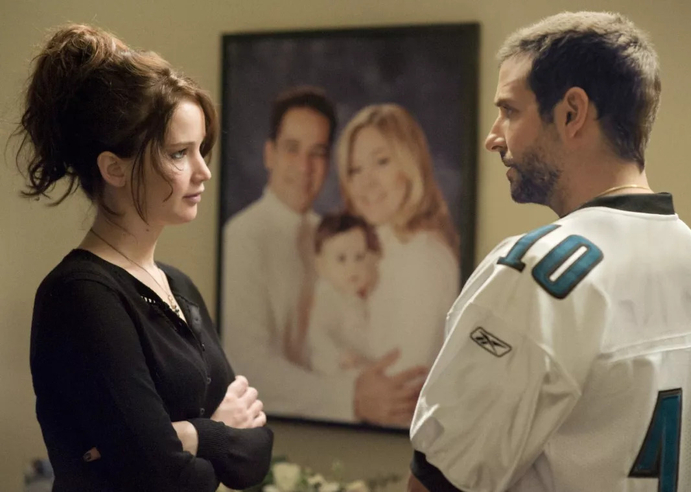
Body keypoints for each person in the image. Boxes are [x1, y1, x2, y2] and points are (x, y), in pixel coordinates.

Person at [408, 11, 691, 492]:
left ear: (571, 113)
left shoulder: (537, 270)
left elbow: (441, 482)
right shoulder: (690, 256)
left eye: (510, 111)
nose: (493, 137)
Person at [19, 24, 272, 491]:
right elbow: (165, 479)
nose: (203, 171)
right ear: (114, 168)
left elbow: (257, 453)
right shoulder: (80, 296)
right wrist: (213, 431)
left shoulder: (178, 286)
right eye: (179, 153)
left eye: (201, 150)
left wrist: (180, 438)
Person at [222, 88, 426, 427]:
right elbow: (248, 366)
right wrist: (351, 396)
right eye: (292, 149)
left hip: (342, 426)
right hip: (275, 429)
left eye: (317, 153)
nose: (304, 167)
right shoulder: (242, 239)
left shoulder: (331, 237)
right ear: (270, 154)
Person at [336, 103, 461, 380]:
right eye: (355, 169)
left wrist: (347, 371)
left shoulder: (423, 256)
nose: (366, 183)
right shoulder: (379, 251)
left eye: (381, 162)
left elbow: (405, 382)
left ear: (410, 164)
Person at [307, 213, 381, 375]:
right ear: (321, 266)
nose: (352, 267)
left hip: (359, 362)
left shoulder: (361, 295)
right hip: (333, 367)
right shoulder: (328, 298)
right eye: (341, 259)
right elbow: (317, 335)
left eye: (359, 257)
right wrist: (339, 355)